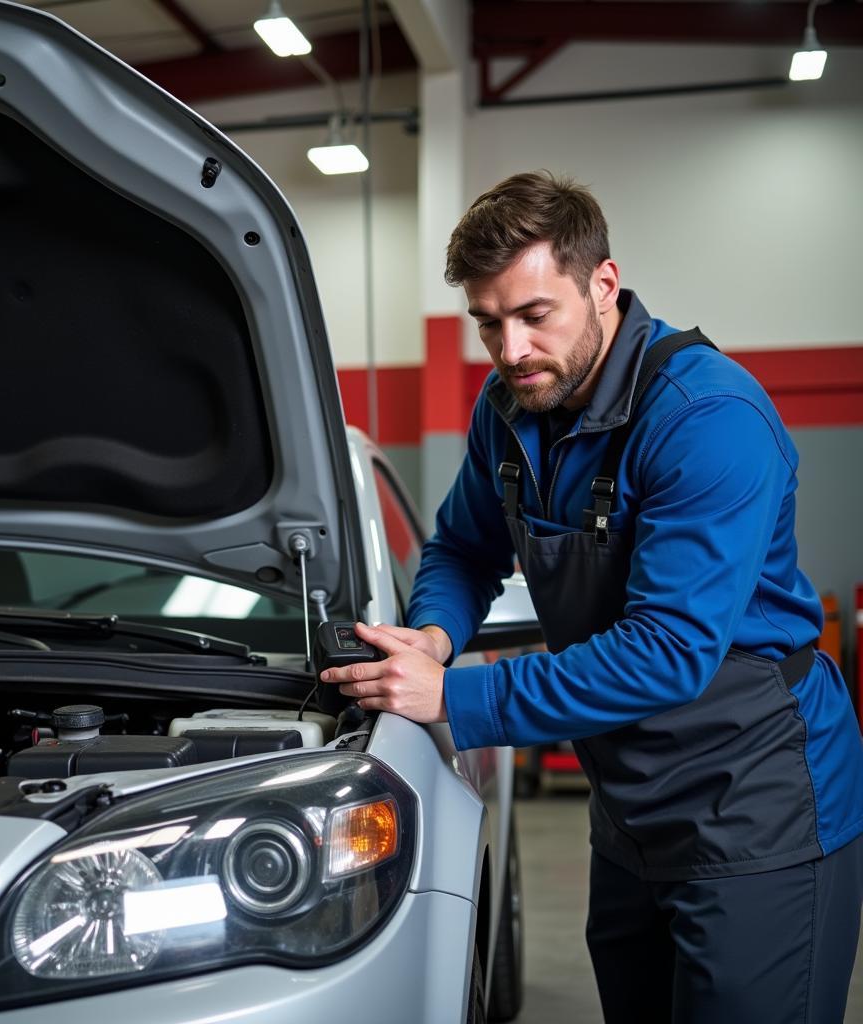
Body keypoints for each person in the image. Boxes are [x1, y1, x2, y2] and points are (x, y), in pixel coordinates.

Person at [320, 171, 863, 1023]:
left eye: (535, 316)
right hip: (631, 813)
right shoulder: (508, 410)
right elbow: (464, 547)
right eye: (489, 323)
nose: (510, 351)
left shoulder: (706, 416)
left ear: (602, 285)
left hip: (757, 802)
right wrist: (434, 636)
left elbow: (670, 650)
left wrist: (456, 696)